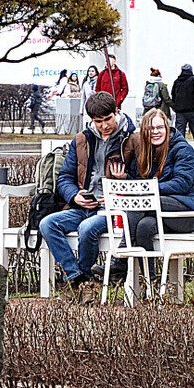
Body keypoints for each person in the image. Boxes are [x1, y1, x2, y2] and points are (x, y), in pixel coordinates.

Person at [37, 92, 134, 289]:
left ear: (116, 111)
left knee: (87, 228)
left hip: (113, 210)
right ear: (92, 120)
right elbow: (64, 177)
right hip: (84, 205)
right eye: (99, 121)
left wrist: (123, 183)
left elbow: (143, 180)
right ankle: (78, 278)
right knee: (47, 224)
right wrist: (75, 195)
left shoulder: (132, 139)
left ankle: (84, 279)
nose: (104, 125)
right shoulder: (81, 140)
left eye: (108, 119)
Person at [120, 108, 194, 258]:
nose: (155, 132)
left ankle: (120, 256)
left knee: (141, 200)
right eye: (150, 128)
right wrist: (125, 178)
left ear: (167, 127)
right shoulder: (144, 152)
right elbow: (139, 183)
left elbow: (182, 183)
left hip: (186, 213)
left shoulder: (182, 149)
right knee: (144, 227)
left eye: (159, 127)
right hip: (158, 211)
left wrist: (150, 188)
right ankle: (149, 278)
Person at [170, 64, 194, 141]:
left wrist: (174, 105)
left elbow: (173, 94)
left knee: (179, 131)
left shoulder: (177, 81)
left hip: (180, 110)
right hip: (193, 109)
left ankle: (179, 147)